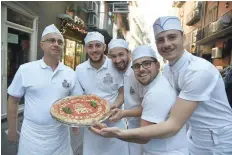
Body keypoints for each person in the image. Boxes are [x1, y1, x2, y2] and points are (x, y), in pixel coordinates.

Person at [91, 16, 232, 155]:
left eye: (172, 37)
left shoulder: (198, 71)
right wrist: (123, 114)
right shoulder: (168, 70)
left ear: (183, 38)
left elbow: (173, 125)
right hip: (194, 138)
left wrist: (119, 133)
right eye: (160, 40)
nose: (166, 44)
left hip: (219, 142)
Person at [7, 24, 75, 155]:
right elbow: (13, 100)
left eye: (60, 42)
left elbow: (76, 101)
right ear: (41, 45)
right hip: (32, 137)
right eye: (51, 40)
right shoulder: (25, 69)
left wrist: (76, 123)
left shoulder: (70, 73)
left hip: (60, 138)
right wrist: (11, 129)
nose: (56, 44)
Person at [71, 32, 129, 155]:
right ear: (85, 48)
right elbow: (78, 98)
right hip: (92, 126)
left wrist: (113, 107)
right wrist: (76, 120)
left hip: (115, 122)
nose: (94, 50)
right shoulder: (80, 69)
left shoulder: (114, 64)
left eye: (98, 45)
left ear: (104, 47)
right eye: (90, 46)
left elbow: (122, 93)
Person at [107, 39, 143, 155]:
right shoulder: (120, 72)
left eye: (121, 54)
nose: (117, 60)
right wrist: (114, 106)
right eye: (113, 56)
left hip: (145, 128)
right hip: (131, 127)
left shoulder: (139, 73)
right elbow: (124, 94)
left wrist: (123, 113)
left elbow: (149, 107)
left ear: (129, 53)